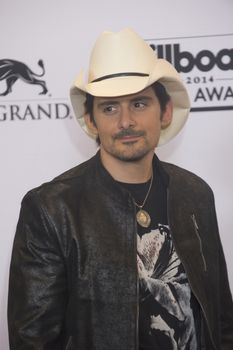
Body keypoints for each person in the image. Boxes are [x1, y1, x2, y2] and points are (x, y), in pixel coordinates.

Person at [8, 28, 233, 350]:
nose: (125, 121)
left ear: (165, 112)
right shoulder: (50, 208)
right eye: (110, 107)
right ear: (91, 120)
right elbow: (33, 338)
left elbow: (220, 314)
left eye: (139, 104)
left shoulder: (194, 192)